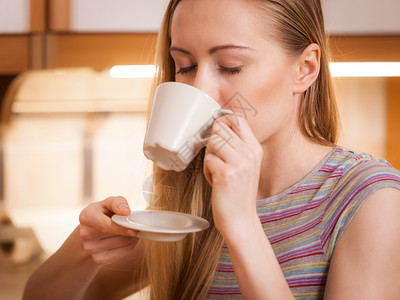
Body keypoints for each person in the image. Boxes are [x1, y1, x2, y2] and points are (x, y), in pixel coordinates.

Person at [23, 0, 400, 299]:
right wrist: (85, 246)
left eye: (231, 67)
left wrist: (241, 226)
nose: (200, 89)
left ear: (304, 68)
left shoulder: (369, 201)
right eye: (185, 66)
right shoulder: (192, 199)